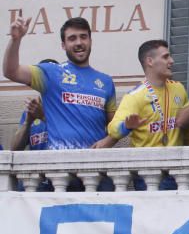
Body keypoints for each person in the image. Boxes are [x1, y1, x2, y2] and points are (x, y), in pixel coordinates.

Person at [3, 16, 117, 149]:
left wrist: (109, 141)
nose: (79, 42)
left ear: (90, 41)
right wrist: (15, 40)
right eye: (72, 38)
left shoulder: (106, 82)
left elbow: (114, 126)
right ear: (63, 45)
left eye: (83, 37)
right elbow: (11, 71)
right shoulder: (51, 73)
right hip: (61, 166)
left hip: (95, 166)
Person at [94, 40, 189, 149]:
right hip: (146, 163)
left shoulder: (178, 89)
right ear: (150, 61)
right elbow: (113, 129)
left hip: (175, 163)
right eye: (165, 57)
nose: (171, 61)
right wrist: (126, 126)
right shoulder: (134, 96)